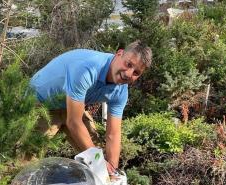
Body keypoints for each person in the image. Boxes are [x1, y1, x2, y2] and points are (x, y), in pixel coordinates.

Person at [30, 41, 152, 174]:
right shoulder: (89, 68)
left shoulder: (121, 91)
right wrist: (98, 161)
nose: (129, 74)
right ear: (119, 54)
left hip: (71, 105)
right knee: (27, 158)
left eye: (136, 72)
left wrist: (111, 172)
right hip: (40, 103)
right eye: (128, 64)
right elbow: (74, 122)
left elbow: (113, 134)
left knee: (97, 159)